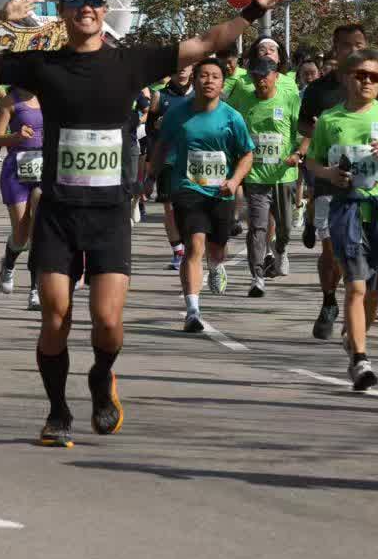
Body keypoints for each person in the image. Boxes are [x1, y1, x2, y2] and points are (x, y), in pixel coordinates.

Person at [0, 0, 291, 447]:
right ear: (63, 12)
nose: (86, 9)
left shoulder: (132, 62)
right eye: (75, 2)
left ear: (104, 10)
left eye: (93, 2)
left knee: (108, 323)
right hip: (59, 213)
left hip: (110, 214)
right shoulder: (41, 65)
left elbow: (209, 40)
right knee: (56, 317)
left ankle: (101, 376)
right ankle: (57, 411)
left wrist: (255, 8)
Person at [307, 48, 378, 388]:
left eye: (374, 76)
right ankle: (360, 359)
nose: (366, 81)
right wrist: (328, 173)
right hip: (348, 209)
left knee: (376, 288)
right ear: (345, 78)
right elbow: (312, 161)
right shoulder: (330, 119)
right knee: (355, 284)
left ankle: (354, 337)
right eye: (360, 75)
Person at [156, 57, 254, 331]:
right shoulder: (178, 113)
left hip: (221, 191)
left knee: (216, 246)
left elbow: (247, 154)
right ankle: (192, 310)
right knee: (194, 244)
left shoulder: (232, 117)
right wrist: (150, 176)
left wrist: (234, 182)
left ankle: (217, 265)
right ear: (195, 80)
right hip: (187, 187)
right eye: (204, 76)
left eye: (215, 77)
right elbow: (162, 145)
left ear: (223, 83)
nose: (209, 81)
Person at [294, 21, 367, 339]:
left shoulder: (377, 84)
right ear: (335, 51)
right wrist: (325, 134)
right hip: (328, 179)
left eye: (359, 44)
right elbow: (303, 126)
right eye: (346, 45)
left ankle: (359, 302)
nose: (353, 51)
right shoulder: (318, 90)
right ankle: (328, 301)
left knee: (363, 248)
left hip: (368, 180)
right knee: (332, 249)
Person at [235, 49, 300, 291]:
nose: (261, 80)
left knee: (284, 227)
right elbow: (237, 134)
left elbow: (304, 133)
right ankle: (257, 275)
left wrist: (298, 153)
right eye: (256, 76)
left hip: (284, 175)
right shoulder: (244, 101)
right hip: (255, 175)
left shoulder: (290, 99)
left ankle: (280, 249)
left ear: (275, 75)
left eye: (265, 75)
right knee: (257, 226)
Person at [0, 84, 44, 305]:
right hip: (17, 169)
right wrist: (16, 136)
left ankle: (35, 289)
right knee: (21, 234)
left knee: (39, 232)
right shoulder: (10, 101)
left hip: (44, 169)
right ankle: (9, 263)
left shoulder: (49, 97)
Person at [143, 63, 193, 269]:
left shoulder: (200, 95)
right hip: (167, 160)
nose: (182, 69)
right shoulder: (159, 97)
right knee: (170, 207)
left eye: (186, 66)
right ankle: (178, 251)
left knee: (192, 207)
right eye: (177, 66)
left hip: (194, 160)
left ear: (193, 69)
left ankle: (193, 246)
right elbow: (151, 133)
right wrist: (150, 170)